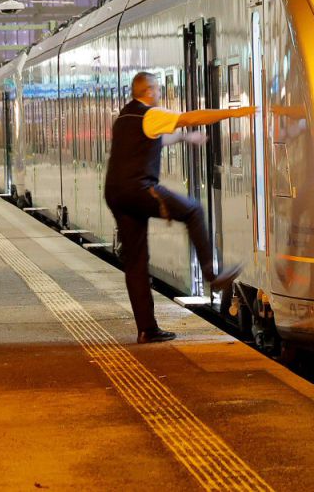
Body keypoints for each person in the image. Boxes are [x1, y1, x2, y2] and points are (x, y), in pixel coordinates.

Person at [105, 71, 255, 344]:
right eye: (157, 88)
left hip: (116, 193)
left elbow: (157, 139)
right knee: (193, 210)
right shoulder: (150, 113)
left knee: (136, 263)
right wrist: (233, 113)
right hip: (140, 189)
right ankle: (212, 275)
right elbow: (190, 118)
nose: (160, 93)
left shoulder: (125, 118)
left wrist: (186, 139)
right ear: (149, 91)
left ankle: (147, 329)